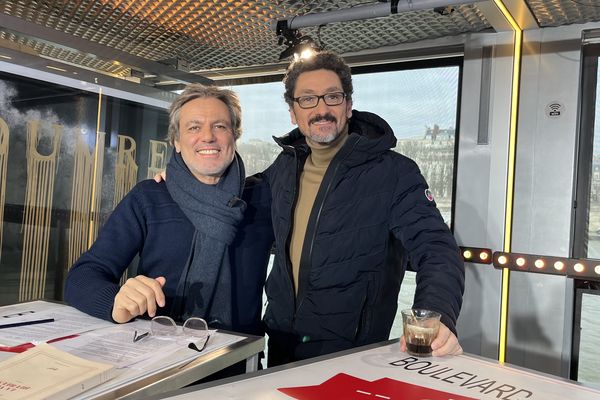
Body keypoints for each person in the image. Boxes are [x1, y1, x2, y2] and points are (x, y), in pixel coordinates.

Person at [260, 50, 465, 366]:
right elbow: (234, 194)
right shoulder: (284, 167)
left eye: (332, 97)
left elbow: (436, 248)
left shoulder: (395, 173)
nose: (322, 109)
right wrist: (174, 175)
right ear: (293, 112)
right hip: (281, 342)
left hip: (351, 352)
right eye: (308, 99)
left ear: (348, 105)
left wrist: (438, 319)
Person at [64, 83, 271, 337]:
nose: (208, 136)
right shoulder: (149, 197)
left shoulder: (263, 199)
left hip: (240, 362)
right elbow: (81, 278)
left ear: (234, 136)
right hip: (157, 354)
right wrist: (116, 301)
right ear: (176, 142)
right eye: (194, 127)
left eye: (220, 126)